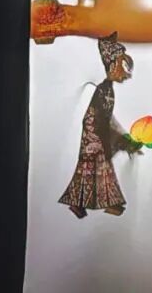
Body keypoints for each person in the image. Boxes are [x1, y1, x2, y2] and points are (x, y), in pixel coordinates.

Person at [59, 32, 139, 219]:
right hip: (94, 132)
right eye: (122, 66)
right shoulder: (104, 89)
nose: (126, 74)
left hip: (96, 130)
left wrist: (123, 138)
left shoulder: (107, 89)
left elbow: (107, 118)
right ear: (113, 66)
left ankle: (81, 204)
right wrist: (122, 139)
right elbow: (101, 118)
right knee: (97, 168)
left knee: (93, 169)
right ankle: (108, 204)